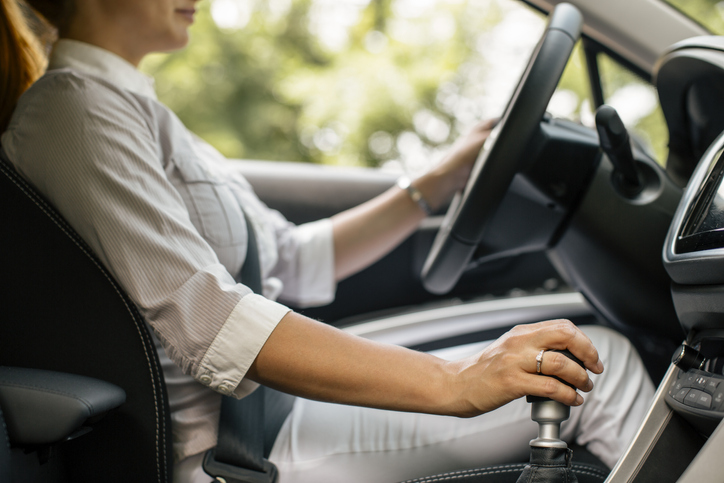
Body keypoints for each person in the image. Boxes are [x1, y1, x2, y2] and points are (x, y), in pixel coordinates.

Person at [0, 0, 655, 482]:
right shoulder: (77, 113)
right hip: (235, 448)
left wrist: (439, 177)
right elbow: (214, 322)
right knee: (603, 368)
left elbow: (289, 257)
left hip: (271, 414)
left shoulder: (132, 106)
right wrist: (456, 380)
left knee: (589, 358)